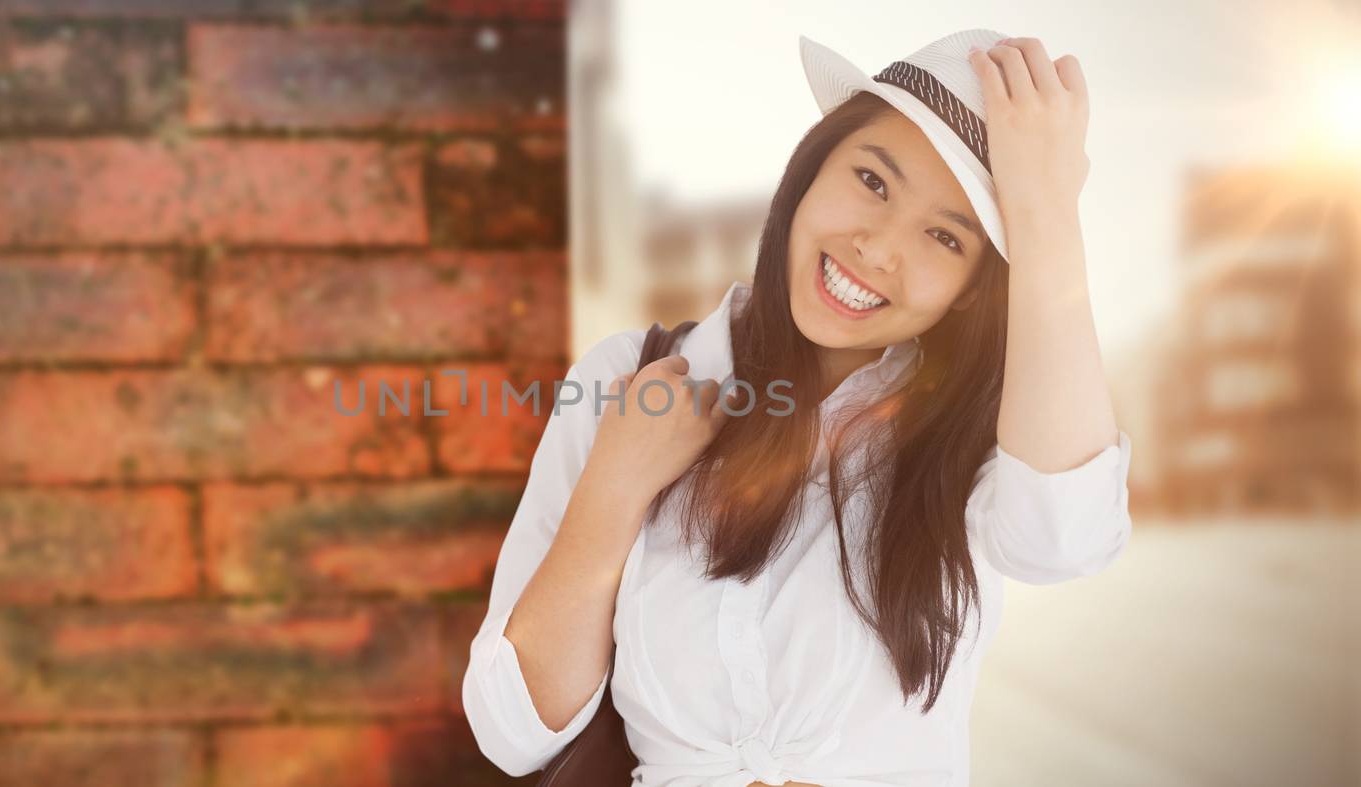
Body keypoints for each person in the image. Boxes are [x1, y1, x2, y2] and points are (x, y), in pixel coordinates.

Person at [463, 28, 1133, 787]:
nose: (877, 250)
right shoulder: (633, 378)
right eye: (873, 182)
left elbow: (1066, 539)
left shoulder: (986, 435)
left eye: (945, 236)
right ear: (811, 168)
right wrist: (614, 487)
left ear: (973, 288)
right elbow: (511, 730)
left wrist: (1046, 213)